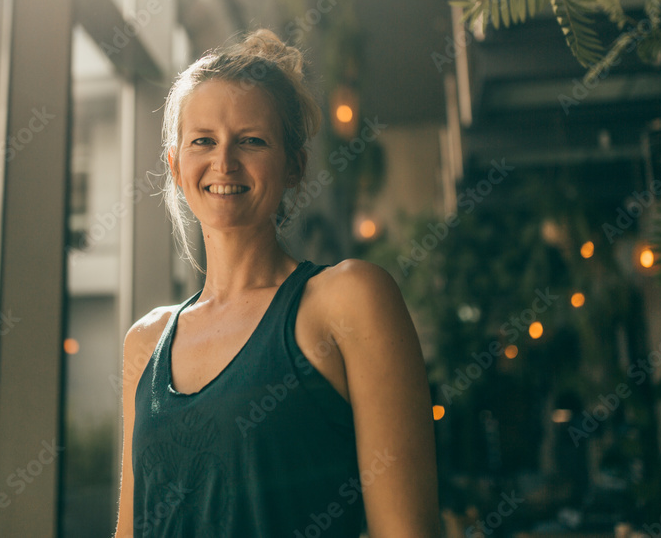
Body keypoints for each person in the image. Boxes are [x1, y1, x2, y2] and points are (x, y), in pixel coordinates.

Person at [113, 29, 439, 537]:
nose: (224, 162)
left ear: (294, 166)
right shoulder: (146, 342)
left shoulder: (347, 300)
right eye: (203, 141)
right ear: (176, 167)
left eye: (251, 141)